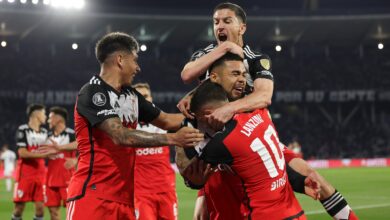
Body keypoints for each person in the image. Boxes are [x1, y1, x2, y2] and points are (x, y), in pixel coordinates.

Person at [179, 52, 358, 220]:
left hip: (249, 166)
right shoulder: (214, 108)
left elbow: (265, 96)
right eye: (235, 74)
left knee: (311, 176)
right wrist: (202, 192)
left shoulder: (250, 96)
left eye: (243, 74)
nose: (241, 79)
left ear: (241, 27)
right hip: (238, 172)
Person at [66, 32, 203, 220]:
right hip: (92, 195)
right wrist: (172, 138)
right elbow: (120, 136)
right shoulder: (92, 92)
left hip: (125, 199)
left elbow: (166, 120)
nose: (137, 68)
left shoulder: (130, 95)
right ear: (120, 59)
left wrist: (207, 114)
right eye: (135, 60)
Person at [191, 80, 309, 219]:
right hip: (294, 212)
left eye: (200, 120)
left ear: (207, 114)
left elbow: (193, 178)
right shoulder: (261, 112)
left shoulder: (222, 142)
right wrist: (300, 181)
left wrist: (180, 130)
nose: (241, 78)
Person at [133, 83, 178, 220]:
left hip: (166, 190)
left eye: (145, 96)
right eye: (139, 97)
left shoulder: (165, 122)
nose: (143, 100)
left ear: (151, 98)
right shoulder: (126, 128)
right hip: (141, 193)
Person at [12, 104, 53, 220]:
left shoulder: (45, 132)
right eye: (44, 113)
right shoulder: (23, 129)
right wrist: (44, 155)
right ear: (36, 114)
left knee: (40, 209)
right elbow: (22, 153)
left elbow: (51, 149)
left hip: (40, 173)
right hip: (25, 173)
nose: (45, 116)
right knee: (19, 207)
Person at [45, 106, 77, 220]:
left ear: (58, 119)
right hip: (50, 180)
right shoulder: (47, 136)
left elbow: (85, 147)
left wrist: (76, 160)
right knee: (53, 213)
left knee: (72, 212)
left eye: (50, 118)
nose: (48, 120)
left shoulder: (72, 134)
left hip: (68, 179)